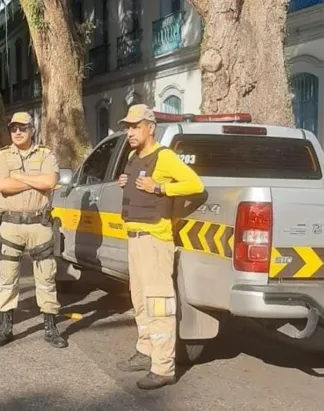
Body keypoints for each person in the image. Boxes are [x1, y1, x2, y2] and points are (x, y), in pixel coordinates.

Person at [116, 104, 205, 390]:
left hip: (155, 241)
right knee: (140, 302)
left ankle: (163, 367)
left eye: (135, 126)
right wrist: (126, 183)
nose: (129, 132)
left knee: (159, 305)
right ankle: (146, 352)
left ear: (150, 128)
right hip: (135, 239)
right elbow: (137, 188)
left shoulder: (164, 157)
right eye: (127, 127)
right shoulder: (133, 156)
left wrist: (160, 188)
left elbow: (194, 184)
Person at [0, 111, 67, 349]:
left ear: (32, 130)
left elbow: (49, 183)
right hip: (10, 224)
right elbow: (2, 185)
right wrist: (34, 179)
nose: (18, 132)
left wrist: (18, 177)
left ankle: (51, 328)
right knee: (7, 278)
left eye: (23, 128)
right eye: (14, 128)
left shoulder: (45, 154)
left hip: (39, 224)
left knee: (46, 278)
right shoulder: (2, 155)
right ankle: (5, 327)